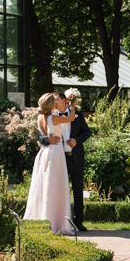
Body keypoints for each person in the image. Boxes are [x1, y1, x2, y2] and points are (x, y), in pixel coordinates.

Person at [39, 89, 91, 231]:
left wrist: (77, 140)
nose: (54, 102)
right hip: (57, 159)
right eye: (52, 100)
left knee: (78, 190)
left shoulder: (78, 116)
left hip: (75, 157)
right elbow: (40, 136)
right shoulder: (51, 116)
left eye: (56, 99)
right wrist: (47, 139)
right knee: (58, 191)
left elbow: (87, 132)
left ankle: (78, 221)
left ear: (64, 100)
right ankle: (59, 222)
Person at [23, 93, 75, 234]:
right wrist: (72, 106)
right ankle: (56, 223)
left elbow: (42, 136)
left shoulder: (40, 117)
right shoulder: (53, 118)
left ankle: (45, 219)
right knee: (56, 185)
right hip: (55, 153)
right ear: (51, 105)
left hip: (44, 152)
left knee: (45, 185)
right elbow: (70, 118)